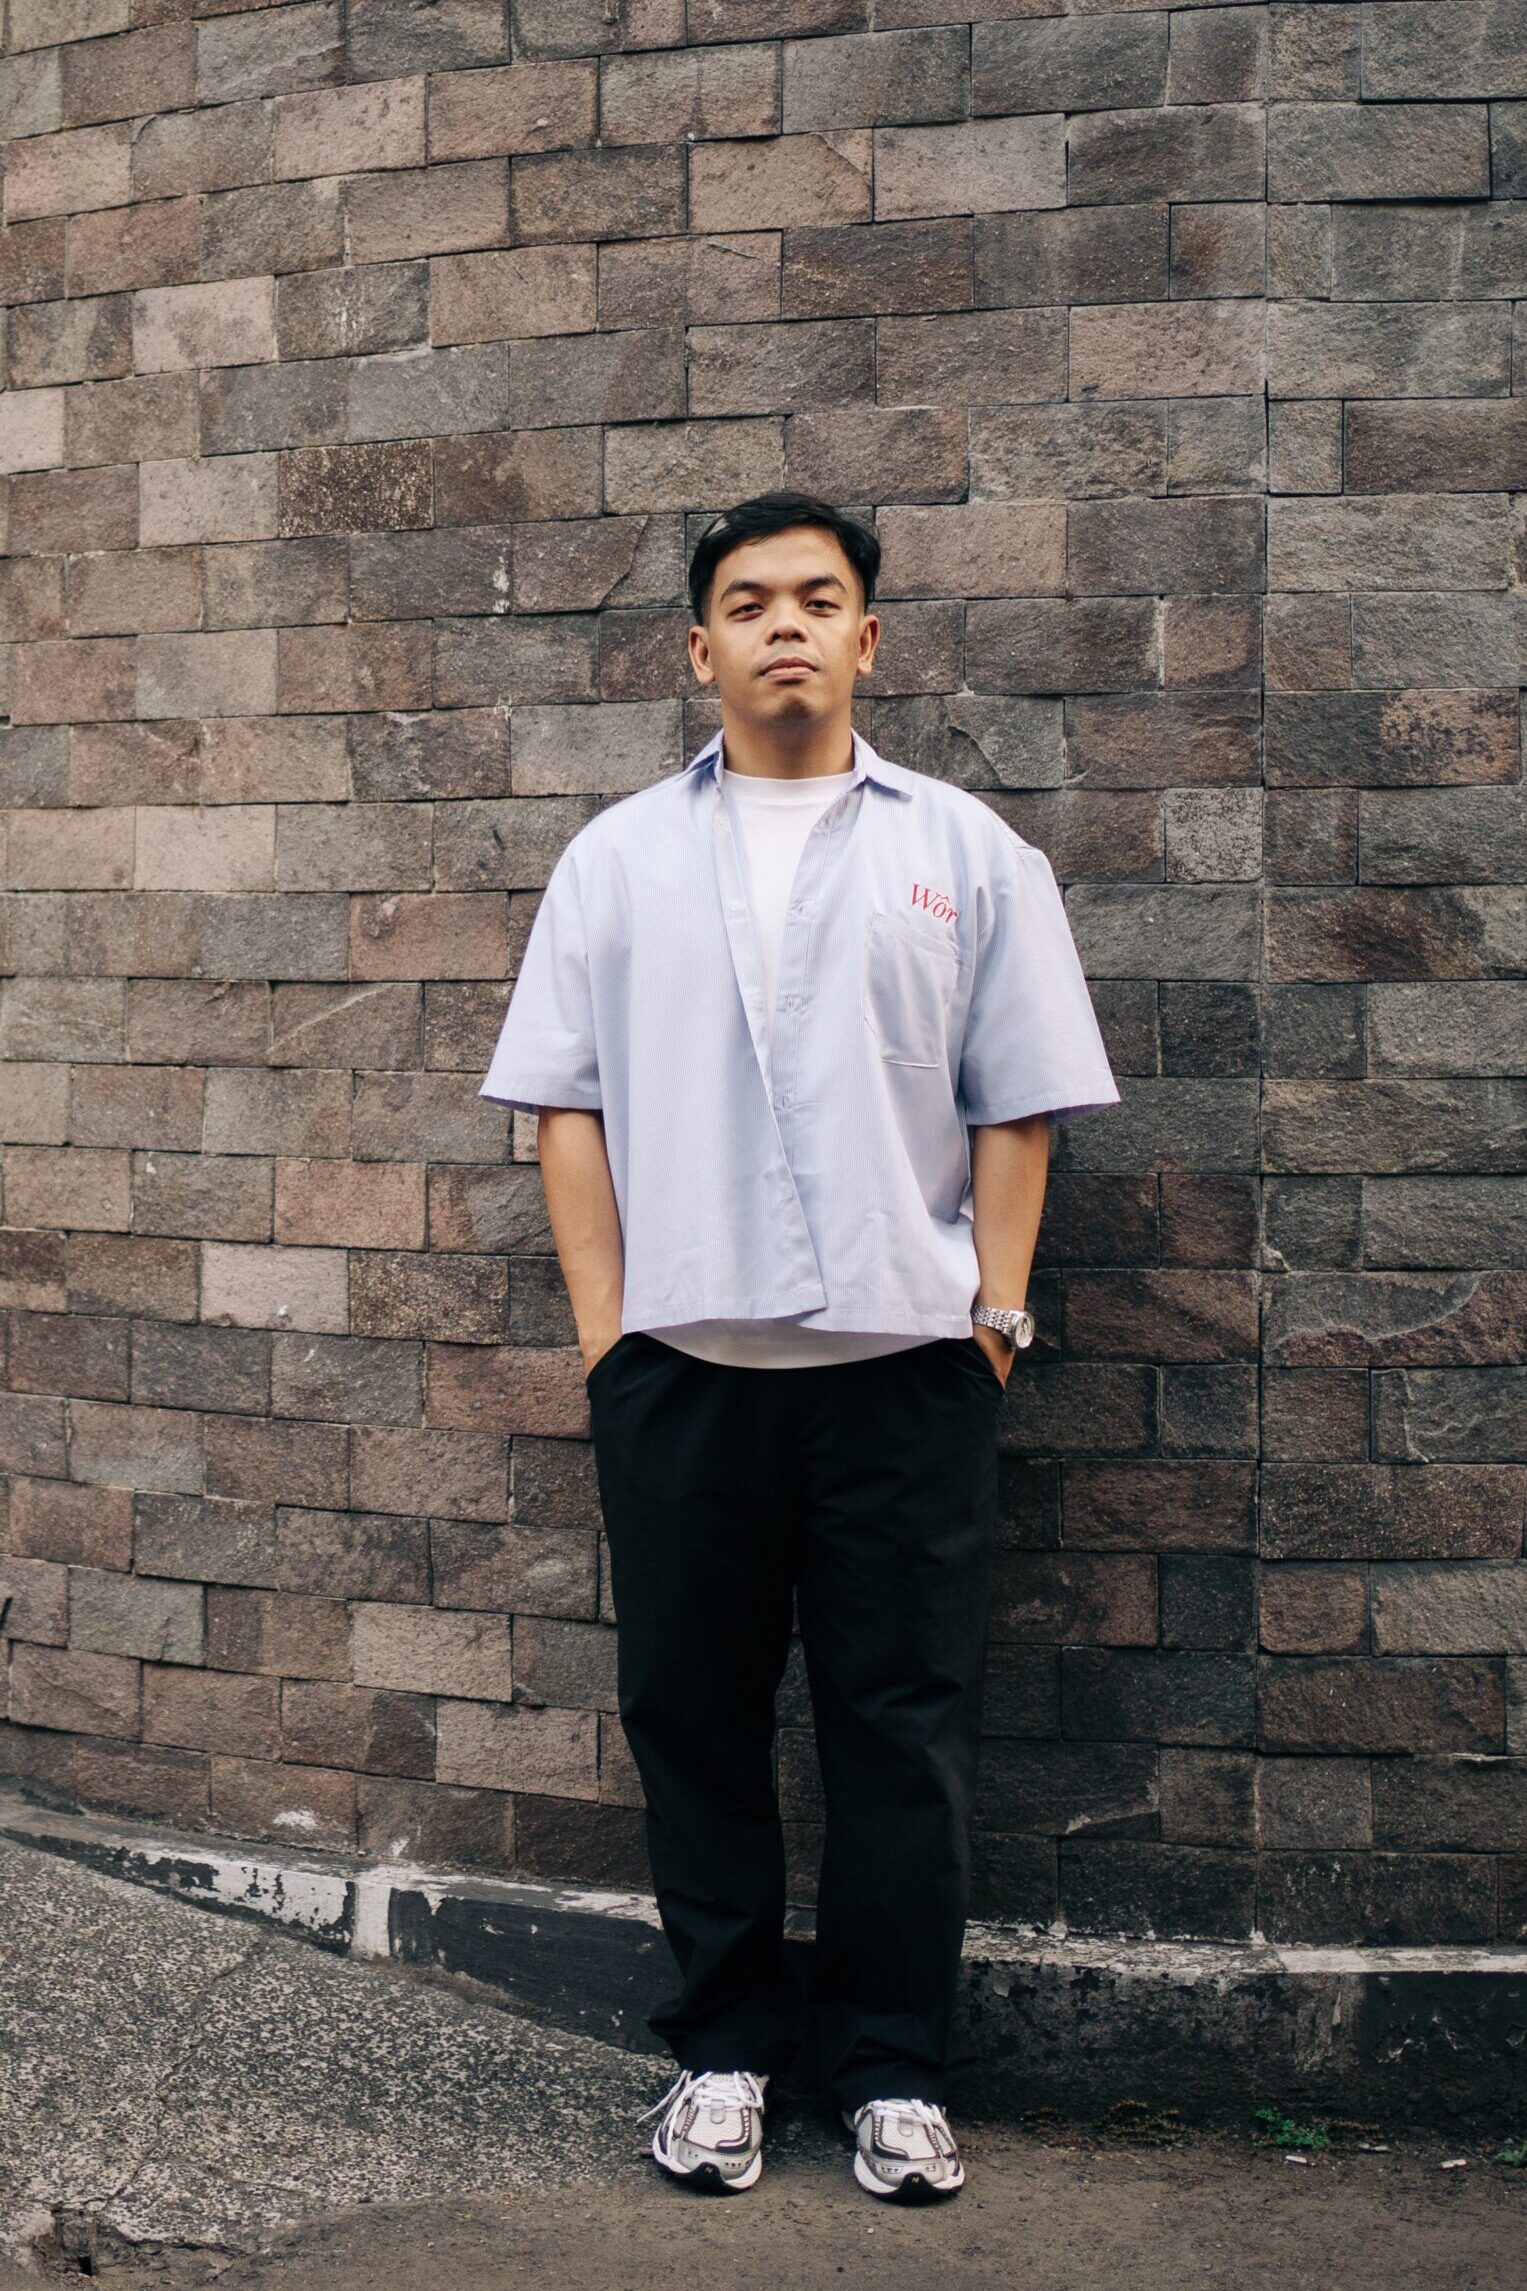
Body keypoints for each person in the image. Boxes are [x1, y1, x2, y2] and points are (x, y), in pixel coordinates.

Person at [479, 490, 1119, 2202]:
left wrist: (992, 1324)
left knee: (900, 1734)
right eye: (750, 602)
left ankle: (894, 2072)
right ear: (700, 649)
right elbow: (563, 1107)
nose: (784, 625)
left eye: (817, 600)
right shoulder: (618, 859)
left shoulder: (969, 855)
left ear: (866, 638)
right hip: (683, 1378)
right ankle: (727, 2057)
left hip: (907, 1377)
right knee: (691, 1721)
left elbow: (1019, 1104)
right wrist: (609, 1342)